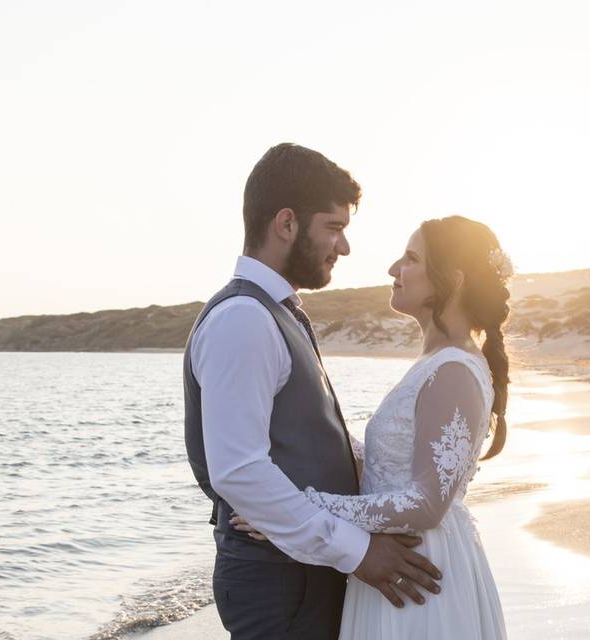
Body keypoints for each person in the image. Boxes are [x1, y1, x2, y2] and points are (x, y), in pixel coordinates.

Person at [182, 143, 442, 640]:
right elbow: (239, 471)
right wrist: (359, 551)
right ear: (286, 223)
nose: (343, 248)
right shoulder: (243, 320)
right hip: (280, 585)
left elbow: (302, 442)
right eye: (334, 227)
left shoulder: (275, 313)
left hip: (303, 574)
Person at [234, 215, 511, 639]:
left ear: (450, 281)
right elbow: (392, 469)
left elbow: (425, 503)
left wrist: (298, 507)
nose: (393, 269)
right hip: (400, 561)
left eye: (412, 258)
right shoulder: (436, 364)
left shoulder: (454, 369)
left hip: (416, 573)